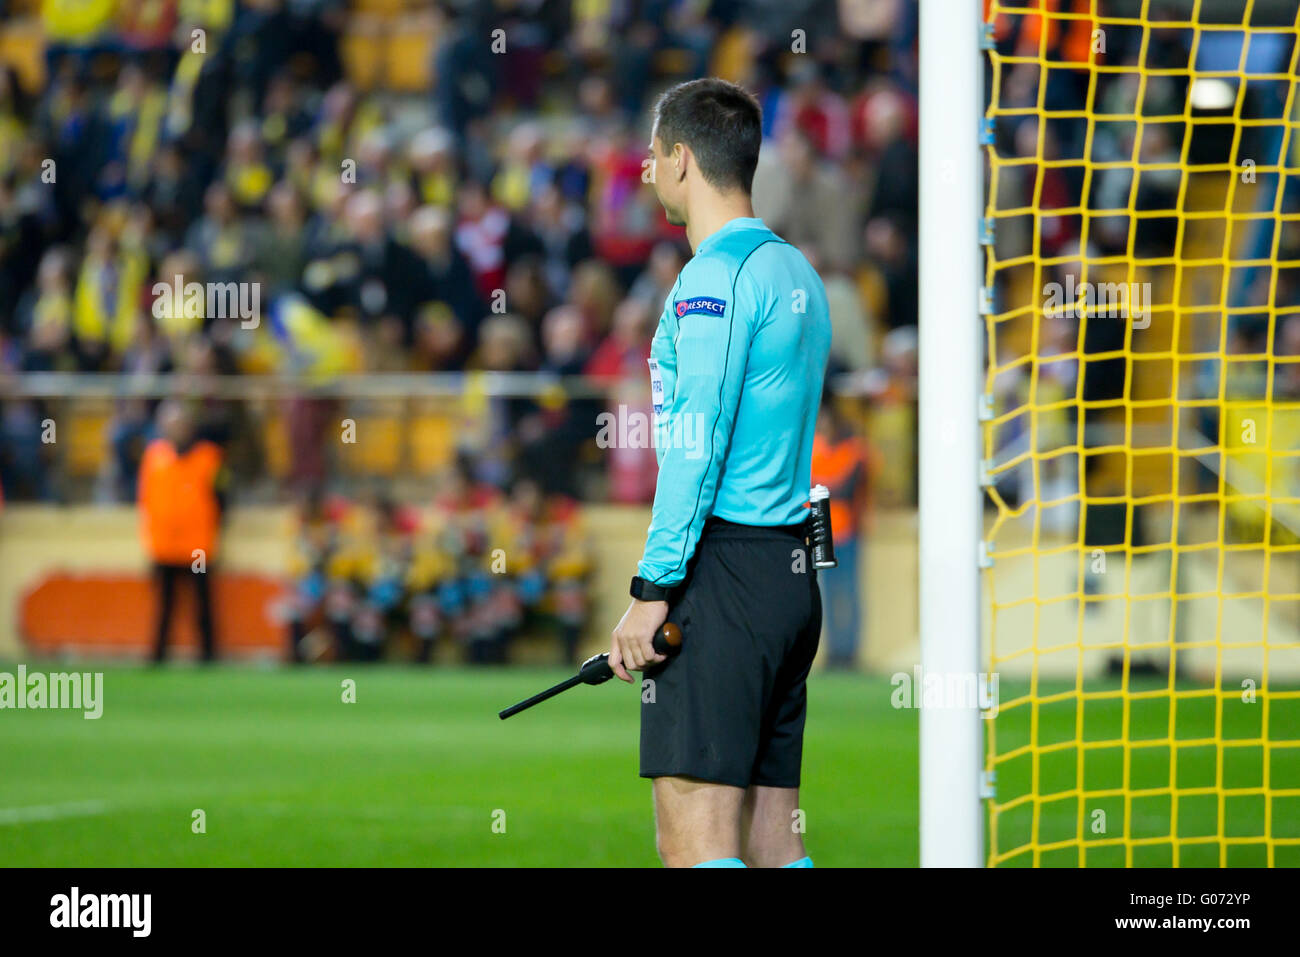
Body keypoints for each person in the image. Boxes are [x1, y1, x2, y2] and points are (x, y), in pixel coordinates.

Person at [608, 78, 831, 868]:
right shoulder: (798, 272)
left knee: (697, 839)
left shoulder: (713, 280)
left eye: (651, 153)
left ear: (679, 160)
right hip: (790, 573)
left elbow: (697, 444)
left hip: (726, 572)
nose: (644, 167)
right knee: (776, 836)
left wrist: (652, 587)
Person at [138, 401, 225, 662]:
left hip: (198, 546)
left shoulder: (208, 456)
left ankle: (208, 654)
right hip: (164, 545)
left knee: (202, 602)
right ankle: (159, 654)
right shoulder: (154, 456)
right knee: (164, 604)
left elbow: (221, 497)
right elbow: (146, 499)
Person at [811, 397, 874, 669]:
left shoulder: (855, 450)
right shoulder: (814, 448)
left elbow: (847, 488)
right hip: (821, 533)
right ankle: (835, 652)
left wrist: (822, 488)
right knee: (827, 594)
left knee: (848, 593)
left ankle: (849, 652)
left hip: (847, 532)